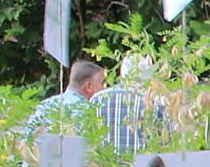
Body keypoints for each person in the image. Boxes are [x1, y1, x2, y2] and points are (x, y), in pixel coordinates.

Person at [23, 60, 171, 150]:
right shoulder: (87, 111)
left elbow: (26, 142)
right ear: (88, 87)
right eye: (102, 84)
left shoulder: (43, 106)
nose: (105, 88)